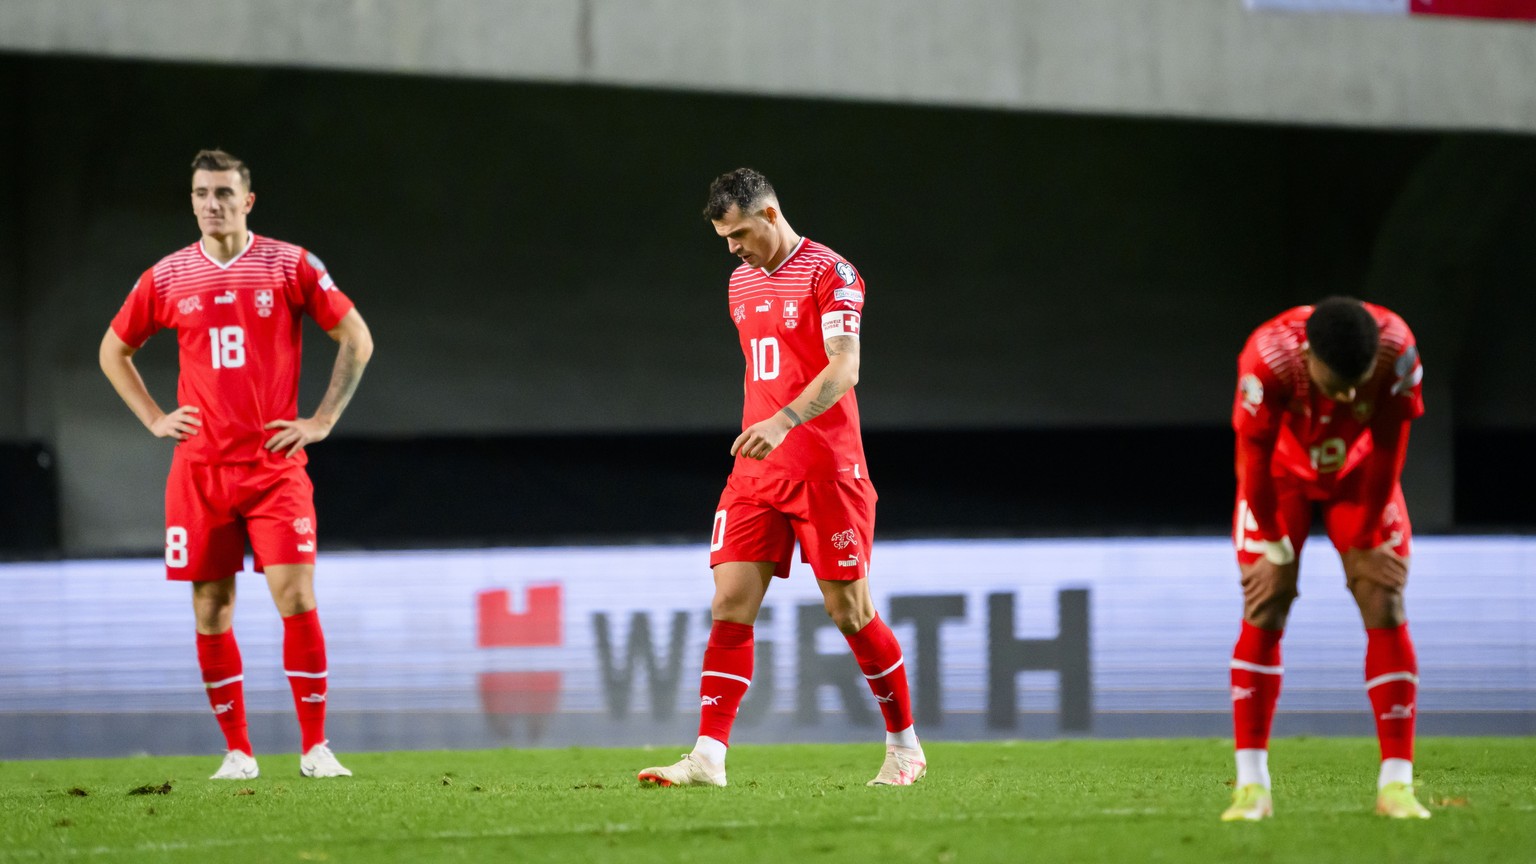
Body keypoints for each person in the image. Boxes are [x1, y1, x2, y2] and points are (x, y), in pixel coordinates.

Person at [638, 168, 923, 788]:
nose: (732, 246)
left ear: (769, 214)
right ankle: (708, 756)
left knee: (849, 612)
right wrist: (765, 431)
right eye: (723, 237)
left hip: (824, 469)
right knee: (729, 603)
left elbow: (844, 368)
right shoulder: (739, 281)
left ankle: (904, 748)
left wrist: (786, 420)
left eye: (738, 232)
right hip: (757, 471)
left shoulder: (831, 273)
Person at [99, 149, 373, 780]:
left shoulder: (290, 265)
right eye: (200, 193)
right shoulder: (167, 278)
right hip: (199, 472)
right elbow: (115, 350)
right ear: (191, 200)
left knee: (296, 596)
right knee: (211, 608)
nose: (210, 203)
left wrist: (321, 421)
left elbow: (356, 338)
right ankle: (239, 751)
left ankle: (315, 747)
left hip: (274, 467)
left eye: (223, 193)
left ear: (247, 201)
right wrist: (154, 418)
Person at [1223, 297, 1428, 821]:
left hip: (1359, 477)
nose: (1351, 393)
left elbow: (1389, 445)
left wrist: (1364, 538)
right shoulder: (1268, 359)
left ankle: (1397, 786)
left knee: (1383, 599)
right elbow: (1252, 461)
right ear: (1309, 354)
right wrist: (1272, 544)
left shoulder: (1397, 349)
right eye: (1339, 383)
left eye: (1359, 381)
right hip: (1280, 479)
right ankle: (1252, 788)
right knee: (1265, 603)